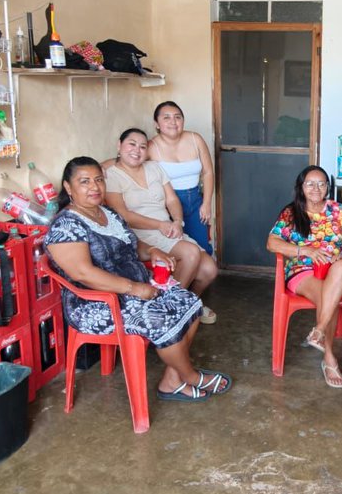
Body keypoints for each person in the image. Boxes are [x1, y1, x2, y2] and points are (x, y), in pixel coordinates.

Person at [44, 157, 230, 402]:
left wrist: (152, 251)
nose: (94, 187)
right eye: (85, 182)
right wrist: (133, 288)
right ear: (68, 188)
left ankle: (171, 380)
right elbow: (83, 274)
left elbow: (131, 244)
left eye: (99, 180)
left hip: (132, 289)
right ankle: (191, 377)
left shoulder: (106, 213)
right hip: (97, 303)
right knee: (162, 319)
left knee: (189, 303)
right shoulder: (66, 226)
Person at [104, 128, 218, 324]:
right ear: (119, 146)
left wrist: (177, 221)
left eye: (142, 146)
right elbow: (122, 215)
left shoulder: (154, 167)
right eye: (131, 144)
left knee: (210, 270)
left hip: (167, 228)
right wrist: (160, 225)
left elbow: (172, 200)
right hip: (140, 235)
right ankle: (168, 313)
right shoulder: (111, 175)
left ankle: (190, 303)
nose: (137, 150)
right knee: (191, 254)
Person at [266, 166, 342, 389]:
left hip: (334, 271)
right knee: (327, 298)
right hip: (302, 271)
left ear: (328, 187)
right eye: (310, 183)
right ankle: (329, 358)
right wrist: (306, 251)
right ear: (301, 187)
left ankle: (319, 330)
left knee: (341, 266)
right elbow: (272, 243)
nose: (316, 188)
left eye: (321, 183)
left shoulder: (337, 210)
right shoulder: (291, 213)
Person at [148, 101, 215, 256]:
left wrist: (206, 203)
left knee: (202, 247)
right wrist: (104, 166)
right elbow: (130, 161)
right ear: (156, 124)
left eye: (177, 117)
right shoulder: (151, 146)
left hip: (196, 200)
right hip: (167, 204)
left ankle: (201, 279)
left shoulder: (195, 139)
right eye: (166, 118)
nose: (173, 122)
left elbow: (208, 172)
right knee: (176, 248)